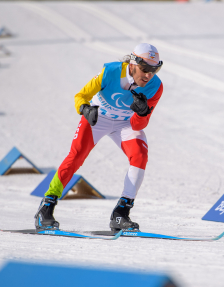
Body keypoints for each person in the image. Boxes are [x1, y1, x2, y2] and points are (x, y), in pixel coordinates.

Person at [34, 43, 164, 231]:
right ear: (133, 63)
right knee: (76, 156)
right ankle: (46, 208)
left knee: (140, 156)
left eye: (155, 70)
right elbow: (81, 95)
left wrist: (142, 113)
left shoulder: (155, 87)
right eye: (145, 69)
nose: (148, 75)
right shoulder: (110, 72)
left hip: (125, 123)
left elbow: (139, 125)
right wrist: (85, 109)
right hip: (98, 118)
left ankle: (120, 214)